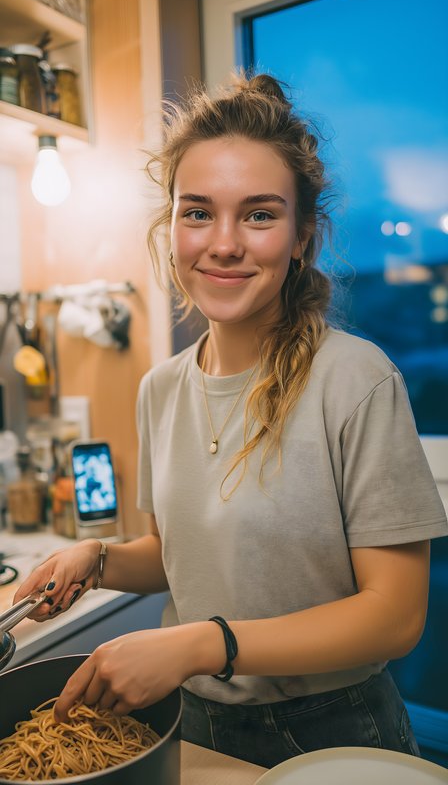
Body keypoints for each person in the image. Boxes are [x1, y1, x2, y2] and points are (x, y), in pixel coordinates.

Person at [14, 72, 448, 769]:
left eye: (258, 214)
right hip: (192, 721)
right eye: (197, 212)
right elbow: (186, 556)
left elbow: (395, 616)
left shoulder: (357, 380)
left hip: (332, 727)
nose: (223, 243)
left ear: (303, 234)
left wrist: (197, 643)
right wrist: (95, 560)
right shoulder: (160, 389)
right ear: (172, 226)